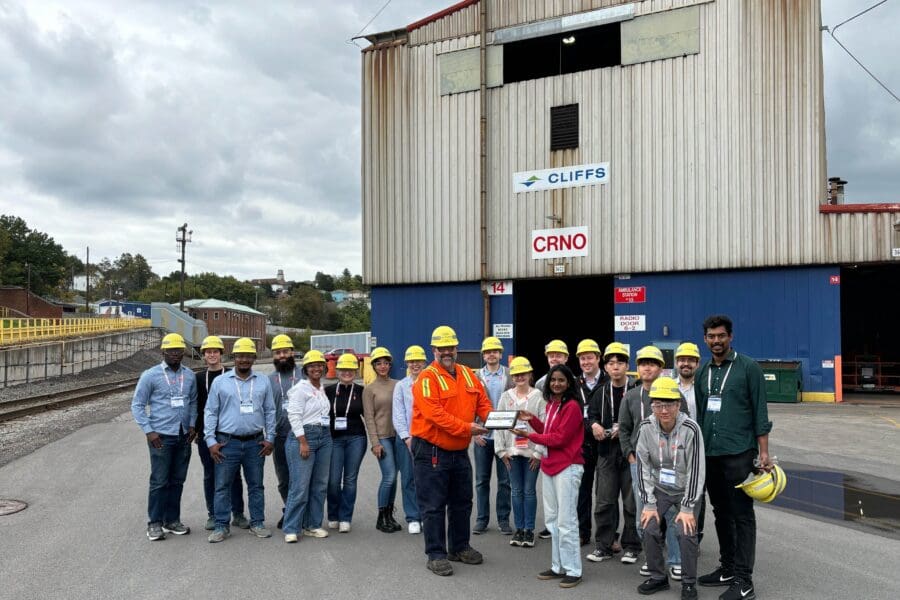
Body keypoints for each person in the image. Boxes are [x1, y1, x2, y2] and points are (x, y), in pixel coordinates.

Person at [696, 315, 772, 600]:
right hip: (712, 453)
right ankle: (727, 568)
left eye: (721, 336)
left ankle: (744, 580)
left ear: (731, 337)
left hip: (740, 452)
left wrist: (763, 453)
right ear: (705, 339)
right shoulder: (704, 372)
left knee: (742, 515)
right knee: (721, 512)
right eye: (711, 336)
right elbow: (703, 414)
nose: (716, 341)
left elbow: (760, 413)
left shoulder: (748, 368)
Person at [411, 325, 493, 577]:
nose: (447, 352)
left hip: (458, 450)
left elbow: (483, 402)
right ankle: (436, 554)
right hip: (432, 450)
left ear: (456, 348)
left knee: (462, 502)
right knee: (433, 505)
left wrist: (497, 419)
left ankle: (459, 547)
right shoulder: (427, 378)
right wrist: (468, 428)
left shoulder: (468, 374)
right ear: (433, 350)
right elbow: (435, 415)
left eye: (451, 347)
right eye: (441, 348)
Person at [635, 378, 705, 600]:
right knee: (648, 527)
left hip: (686, 490)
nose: (664, 410)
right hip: (660, 488)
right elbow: (642, 467)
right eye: (658, 405)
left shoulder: (691, 429)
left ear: (678, 405)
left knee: (686, 532)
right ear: (652, 406)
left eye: (669, 404)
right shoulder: (646, 428)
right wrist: (648, 502)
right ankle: (658, 577)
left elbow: (697, 469)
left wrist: (687, 507)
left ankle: (688, 583)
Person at [515, 364, 585, 589]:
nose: (556, 384)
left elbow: (560, 438)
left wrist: (530, 435)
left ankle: (573, 569)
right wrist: (532, 421)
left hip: (567, 466)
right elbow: (548, 431)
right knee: (553, 520)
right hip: (550, 465)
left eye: (561, 380)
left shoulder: (572, 406)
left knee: (567, 521)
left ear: (569, 383)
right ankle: (558, 566)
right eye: (553, 380)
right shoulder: (555, 404)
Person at [620, 346, 688, 570]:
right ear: (637, 368)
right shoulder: (630, 396)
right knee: (645, 513)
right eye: (642, 363)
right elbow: (624, 430)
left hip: (669, 465)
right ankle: (652, 560)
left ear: (660, 367)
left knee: (670, 513)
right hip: (640, 464)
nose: (647, 367)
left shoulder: (675, 395)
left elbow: (684, 426)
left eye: (652, 363)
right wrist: (630, 456)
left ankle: (676, 560)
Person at [203, 337, 276, 543]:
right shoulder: (220, 382)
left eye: (248, 356)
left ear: (254, 357)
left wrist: (270, 438)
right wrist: (211, 441)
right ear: (233, 357)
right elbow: (210, 412)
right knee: (222, 486)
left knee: (256, 486)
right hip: (227, 442)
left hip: (256, 443)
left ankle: (257, 523)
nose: (244, 360)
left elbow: (270, 411)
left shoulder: (262, 381)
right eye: (240, 356)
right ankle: (221, 526)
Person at [131, 333, 198, 541]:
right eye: (171, 351)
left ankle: (172, 520)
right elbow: (137, 405)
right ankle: (155, 523)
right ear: (163, 352)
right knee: (160, 481)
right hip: (160, 436)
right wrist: (149, 432)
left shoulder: (189, 376)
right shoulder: (150, 376)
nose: (176, 355)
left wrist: (193, 425)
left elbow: (193, 401)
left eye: (179, 351)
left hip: (183, 436)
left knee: (177, 481)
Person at [587, 341, 640, 563]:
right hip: (606, 453)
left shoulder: (637, 391)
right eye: (611, 363)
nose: (615, 366)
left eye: (620, 362)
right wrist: (595, 425)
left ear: (627, 365)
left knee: (631, 503)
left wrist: (624, 429)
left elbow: (644, 421)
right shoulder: (600, 392)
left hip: (630, 454)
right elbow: (591, 415)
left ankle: (631, 545)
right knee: (604, 502)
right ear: (605, 367)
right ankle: (604, 545)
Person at [194, 335, 246, 531]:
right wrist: (196, 429)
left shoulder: (233, 375)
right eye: (208, 352)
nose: (212, 355)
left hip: (228, 434)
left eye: (215, 351)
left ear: (221, 354)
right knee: (210, 475)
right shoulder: (198, 378)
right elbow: (195, 405)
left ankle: (238, 513)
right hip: (206, 435)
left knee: (233, 475)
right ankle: (213, 515)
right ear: (204, 355)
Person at [494, 356, 545, 548]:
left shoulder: (539, 396)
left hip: (531, 452)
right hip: (512, 452)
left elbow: (544, 426)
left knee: (529, 491)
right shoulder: (506, 396)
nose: (519, 377)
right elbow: (499, 425)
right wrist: (501, 451)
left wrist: (539, 452)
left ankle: (529, 530)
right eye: (516, 375)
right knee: (515, 491)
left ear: (530, 374)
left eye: (523, 374)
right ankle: (519, 529)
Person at [283, 350, 334, 542]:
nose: (317, 368)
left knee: (320, 486)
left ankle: (312, 525)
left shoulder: (321, 388)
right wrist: (303, 442)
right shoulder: (300, 389)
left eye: (320, 365)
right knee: (300, 486)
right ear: (305, 369)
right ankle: (291, 527)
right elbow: (294, 415)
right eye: (312, 366)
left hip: (324, 437)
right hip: (305, 437)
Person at [473, 336, 514, 536]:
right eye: (488, 351)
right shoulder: (474, 376)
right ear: (483, 354)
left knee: (505, 481)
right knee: (481, 480)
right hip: (483, 437)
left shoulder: (510, 374)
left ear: (500, 353)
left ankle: (504, 519)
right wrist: (473, 433)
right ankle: (481, 519)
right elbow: (467, 406)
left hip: (504, 438)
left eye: (495, 351)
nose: (491, 354)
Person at [363, 346, 403, 532]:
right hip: (383, 437)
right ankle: (381, 518)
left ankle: (389, 515)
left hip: (398, 437)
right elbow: (369, 418)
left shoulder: (398, 384)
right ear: (373, 366)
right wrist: (375, 443)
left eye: (386, 363)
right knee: (389, 476)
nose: (383, 366)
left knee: (394, 478)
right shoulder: (369, 389)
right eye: (378, 363)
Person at [325, 353, 366, 533]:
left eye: (350, 369)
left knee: (350, 480)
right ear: (338, 371)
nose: (347, 372)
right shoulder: (328, 391)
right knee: (333, 480)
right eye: (343, 369)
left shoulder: (362, 391)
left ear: (356, 371)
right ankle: (333, 514)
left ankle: (345, 517)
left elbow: (371, 417)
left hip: (356, 438)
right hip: (334, 439)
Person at [534, 338, 569, 539]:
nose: (554, 358)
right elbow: (540, 414)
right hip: (547, 440)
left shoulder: (572, 380)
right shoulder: (540, 383)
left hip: (564, 441)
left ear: (566, 357)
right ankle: (551, 526)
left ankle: (569, 527)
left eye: (558, 355)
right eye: (551, 355)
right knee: (549, 490)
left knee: (566, 490)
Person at [268, 333, 303, 529]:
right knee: (284, 480)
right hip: (279, 436)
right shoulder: (268, 379)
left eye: (285, 351)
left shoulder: (304, 375)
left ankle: (297, 513)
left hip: (302, 436)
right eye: (278, 352)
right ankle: (290, 510)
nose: (282, 355)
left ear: (292, 352)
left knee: (301, 478)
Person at [574, 339, 606, 547]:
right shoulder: (575, 384)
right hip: (582, 445)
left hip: (605, 443)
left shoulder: (609, 381)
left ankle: (607, 535)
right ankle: (583, 532)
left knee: (605, 494)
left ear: (598, 358)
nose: (586, 362)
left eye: (589, 357)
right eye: (582, 358)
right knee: (582, 492)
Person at [391, 344, 426, 534]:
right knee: (408, 478)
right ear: (406, 363)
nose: (415, 364)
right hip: (407, 439)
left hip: (428, 438)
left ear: (424, 362)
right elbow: (398, 414)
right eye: (411, 361)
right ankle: (413, 516)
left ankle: (427, 514)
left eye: (418, 361)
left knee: (428, 479)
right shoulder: (401, 386)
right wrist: (406, 437)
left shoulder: (431, 382)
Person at [674, 342, 701, 420]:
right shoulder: (670, 387)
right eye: (682, 360)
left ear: (697, 364)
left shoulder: (703, 388)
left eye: (691, 360)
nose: (686, 364)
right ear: (676, 363)